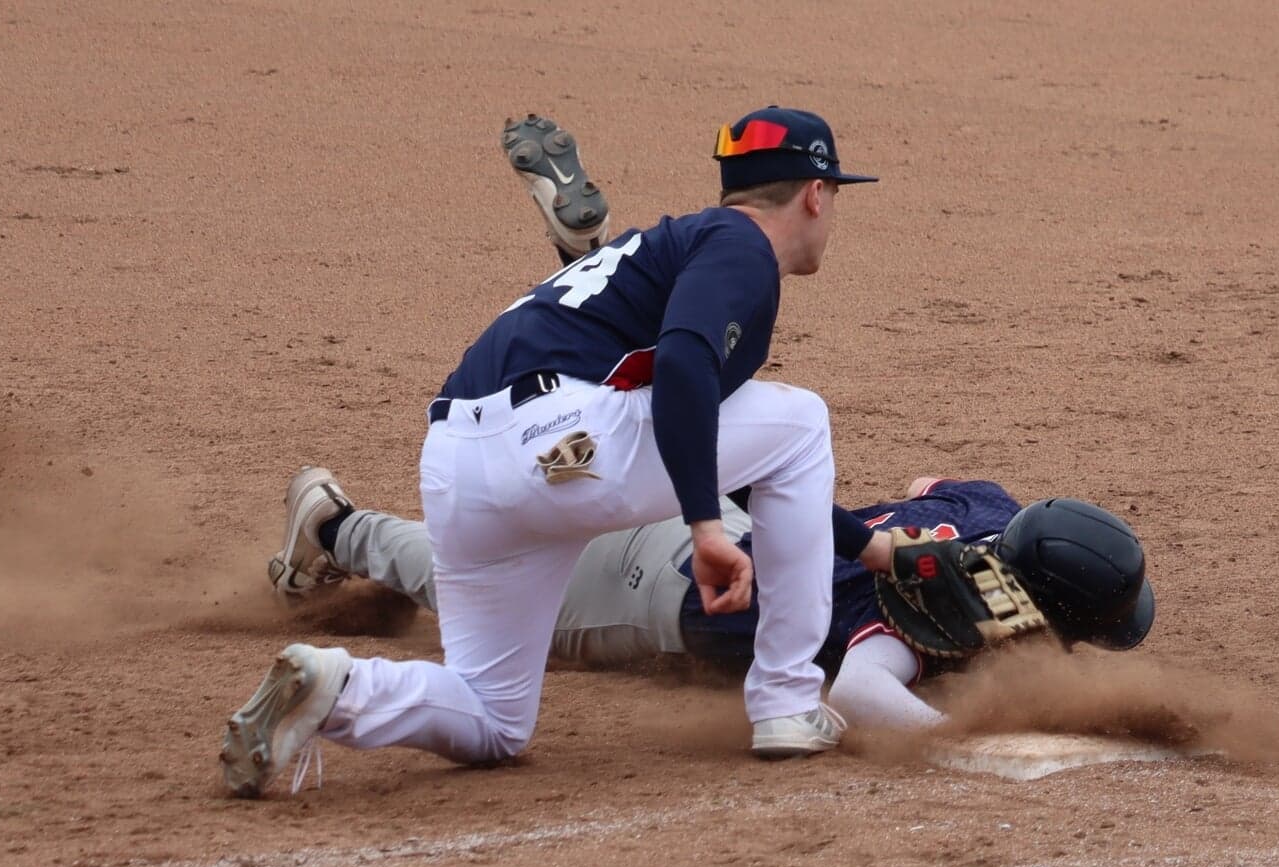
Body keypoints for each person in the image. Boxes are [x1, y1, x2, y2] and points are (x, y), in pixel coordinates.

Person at [222, 107, 885, 797]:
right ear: (813, 192)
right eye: (833, 194)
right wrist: (705, 527)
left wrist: (868, 548)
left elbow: (710, 444)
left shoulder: (659, 253)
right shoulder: (738, 245)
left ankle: (339, 687)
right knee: (802, 419)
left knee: (493, 717)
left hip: (461, 463)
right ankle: (785, 699)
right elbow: (688, 363)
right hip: (564, 441)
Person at [266, 468, 1155, 736]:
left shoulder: (988, 512)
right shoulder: (934, 627)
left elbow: (926, 482)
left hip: (730, 508)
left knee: (544, 520)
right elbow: (857, 692)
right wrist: (968, 735)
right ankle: (336, 526)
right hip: (665, 586)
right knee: (494, 591)